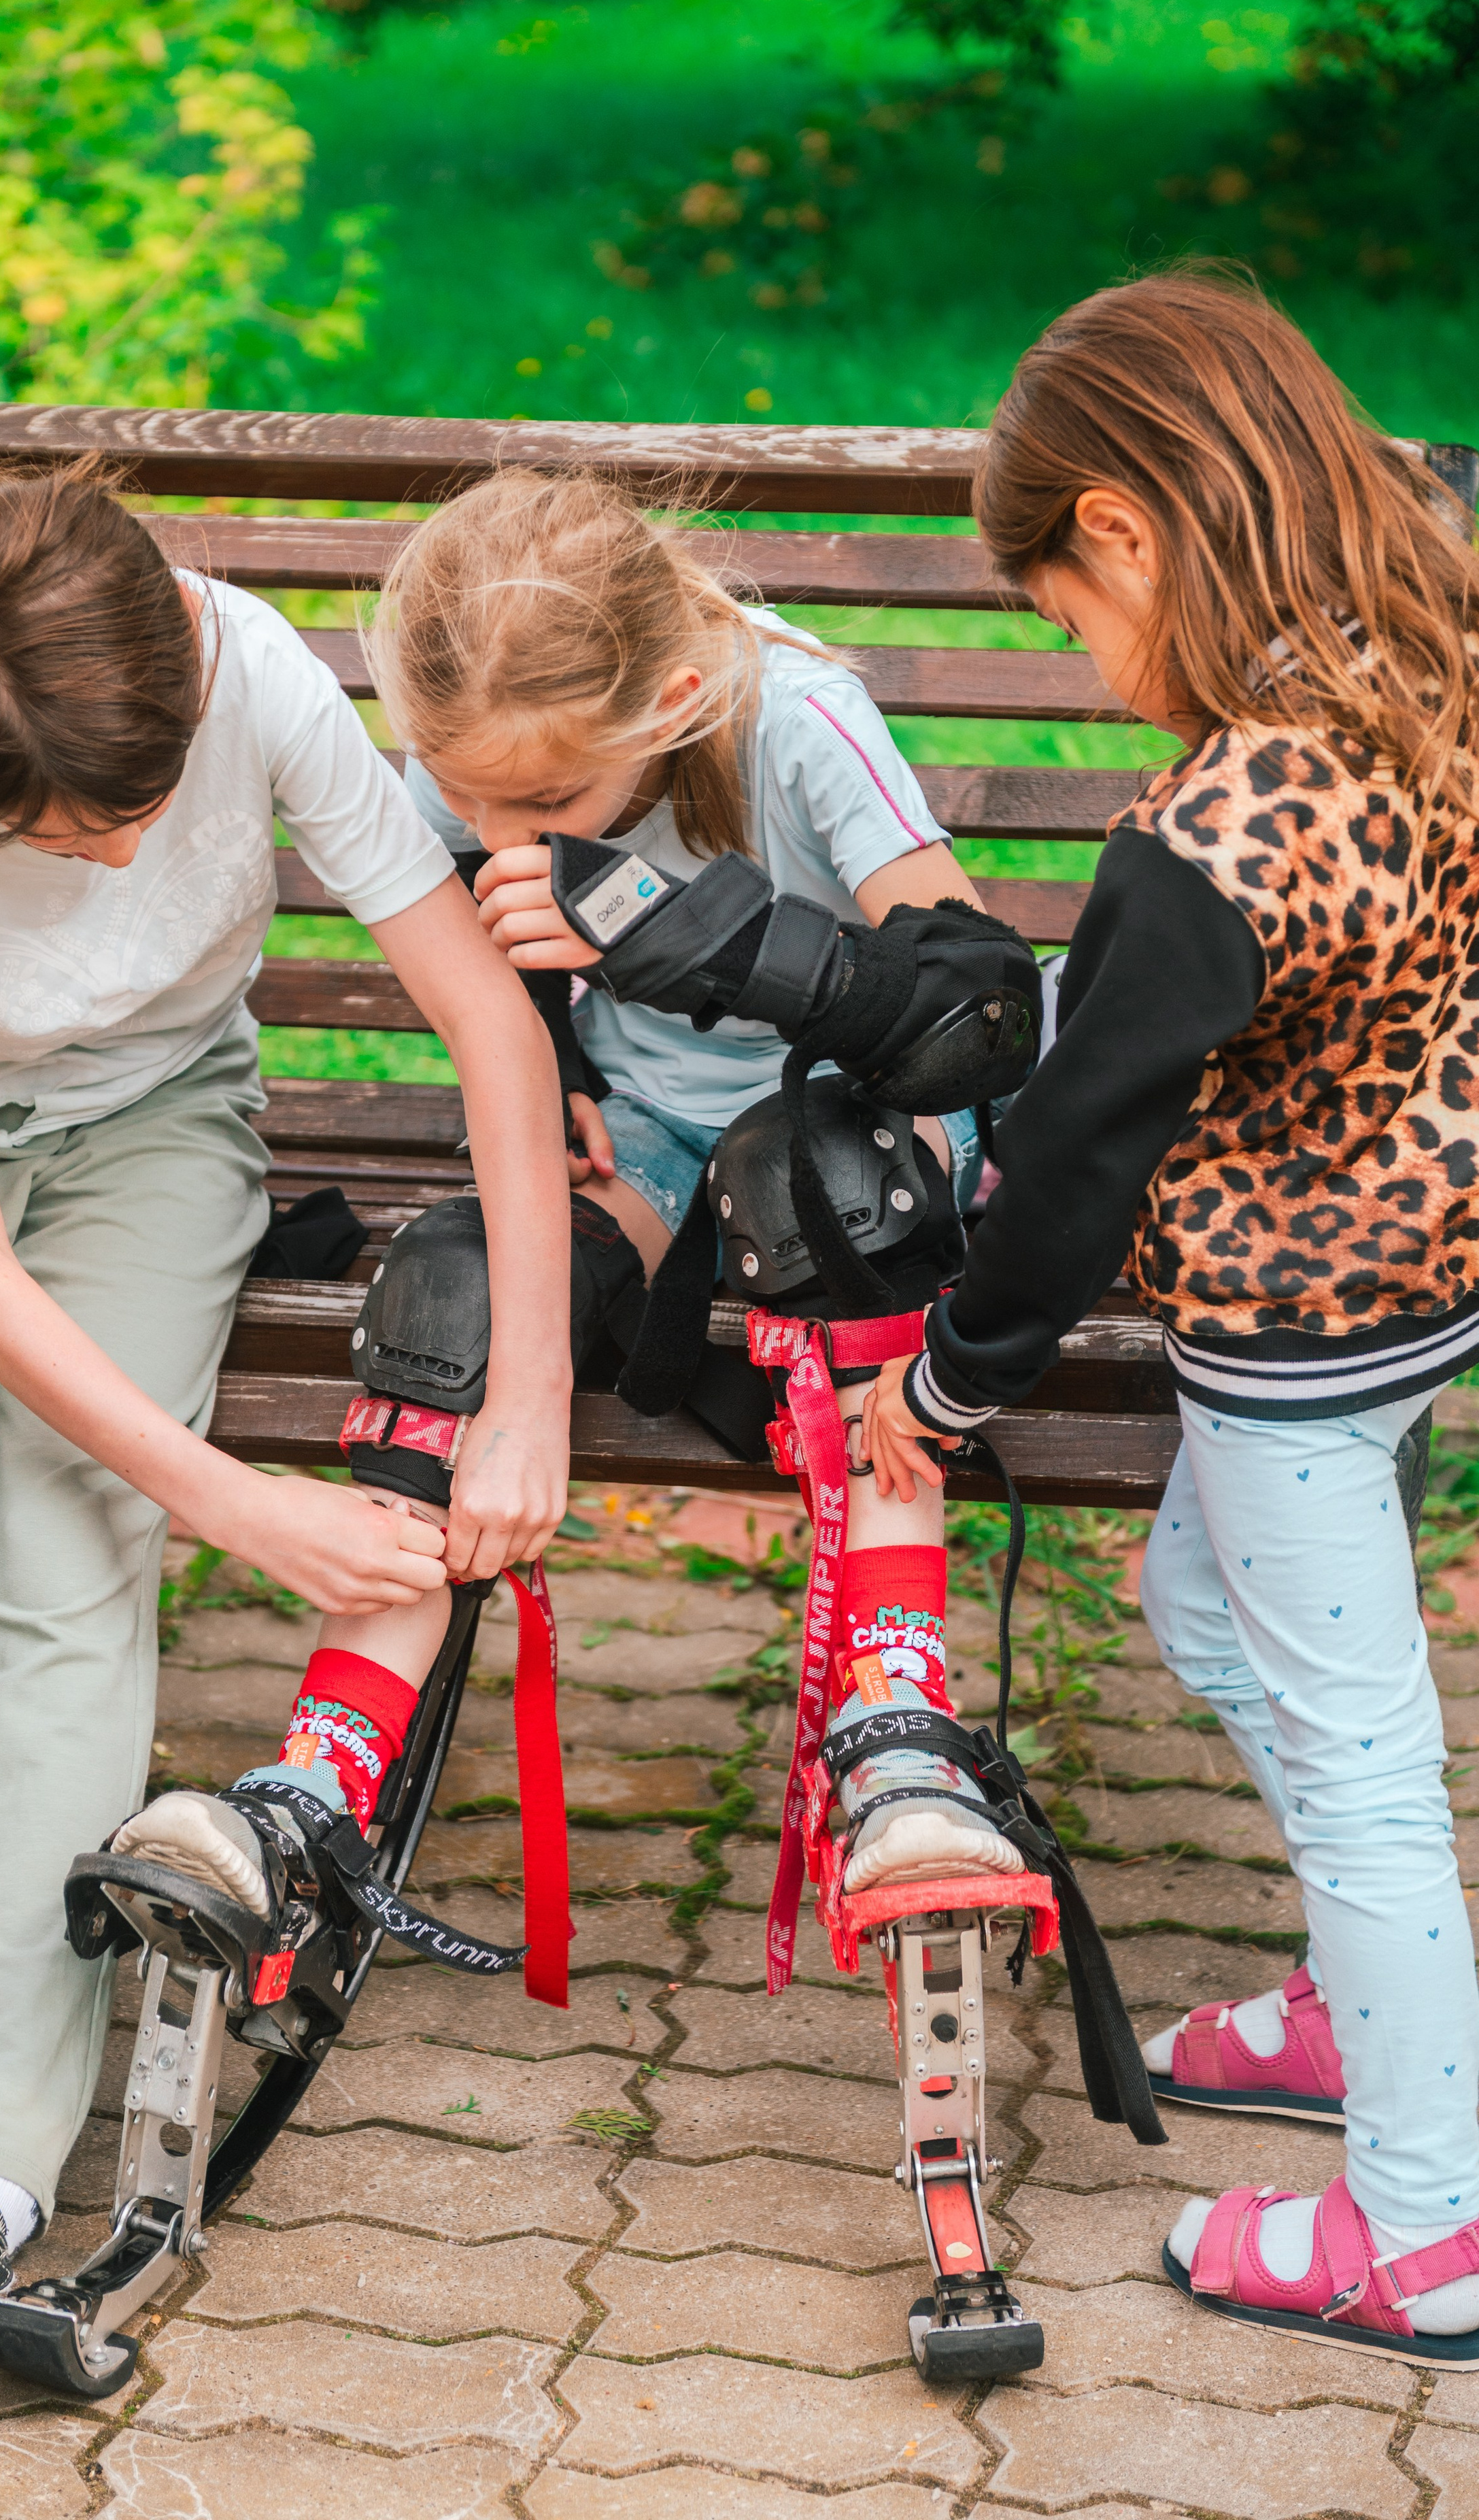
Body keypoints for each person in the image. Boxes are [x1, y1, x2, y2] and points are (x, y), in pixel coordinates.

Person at [0, 463, 575, 2424]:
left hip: (154, 1132)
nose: (114, 860)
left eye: (135, 806)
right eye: (64, 823)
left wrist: (529, 1382)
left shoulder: (249, 673)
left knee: (75, 1548)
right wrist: (242, 1502)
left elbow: (488, 1026)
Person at [114, 466, 1022, 1924]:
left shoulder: (789, 716)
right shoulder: (474, 754)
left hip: (862, 1116)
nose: (494, 820)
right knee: (452, 1295)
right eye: (462, 789)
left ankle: (897, 1724)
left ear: (666, 696)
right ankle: (317, 1782)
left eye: (538, 799)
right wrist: (549, 1046)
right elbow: (494, 951)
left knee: (820, 1182)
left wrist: (725, 949)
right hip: (655, 1129)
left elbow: (978, 1011)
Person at [860, 267, 1479, 2365]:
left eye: (1067, 616)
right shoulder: (1438, 622)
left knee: (1361, 1747)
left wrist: (942, 1391)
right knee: (1215, 1623)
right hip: (1428, 1273)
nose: (1091, 666)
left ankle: (1427, 2229)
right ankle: (1367, 2005)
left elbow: (1068, 1184)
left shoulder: (1211, 841)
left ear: (1123, 527)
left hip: (1301, 1347)